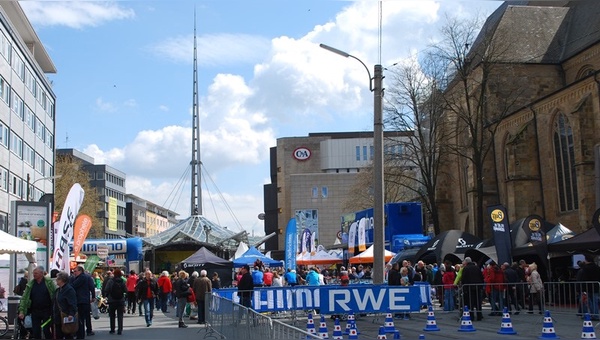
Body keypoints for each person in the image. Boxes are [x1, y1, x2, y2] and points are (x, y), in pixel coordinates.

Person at [18, 265, 55, 339]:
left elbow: (55, 295)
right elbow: (24, 298)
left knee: (46, 330)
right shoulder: (30, 284)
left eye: (36, 273)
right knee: (35, 331)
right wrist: (22, 311)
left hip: (47, 311)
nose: (34, 275)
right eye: (33, 273)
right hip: (35, 311)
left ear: (41, 273)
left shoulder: (49, 283)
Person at [70, 265, 96, 338]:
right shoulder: (87, 277)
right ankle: (88, 330)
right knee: (86, 316)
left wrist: (93, 296)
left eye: (75, 271)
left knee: (81, 317)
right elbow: (92, 287)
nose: (74, 273)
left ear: (80, 271)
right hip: (84, 299)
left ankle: (81, 333)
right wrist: (93, 296)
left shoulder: (82, 277)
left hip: (81, 300)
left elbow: (73, 286)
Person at [54, 271, 78, 339]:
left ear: (62, 280)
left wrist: (71, 314)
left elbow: (72, 303)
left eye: (57, 279)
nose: (56, 280)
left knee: (67, 333)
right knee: (59, 334)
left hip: (66, 315)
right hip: (59, 316)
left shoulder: (69, 289)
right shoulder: (58, 290)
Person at [104, 268, 126, 335]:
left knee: (112, 315)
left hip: (112, 300)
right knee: (120, 316)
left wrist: (106, 296)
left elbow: (106, 289)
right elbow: (125, 290)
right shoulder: (122, 281)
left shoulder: (111, 281)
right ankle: (120, 330)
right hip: (120, 300)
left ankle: (112, 329)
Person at [578, 254, 600, 320]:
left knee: (585, 301)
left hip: (586, 287)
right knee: (594, 302)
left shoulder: (585, 268)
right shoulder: (597, 267)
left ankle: (586, 315)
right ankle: (595, 315)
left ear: (586, 260)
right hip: (595, 286)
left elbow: (583, 278)